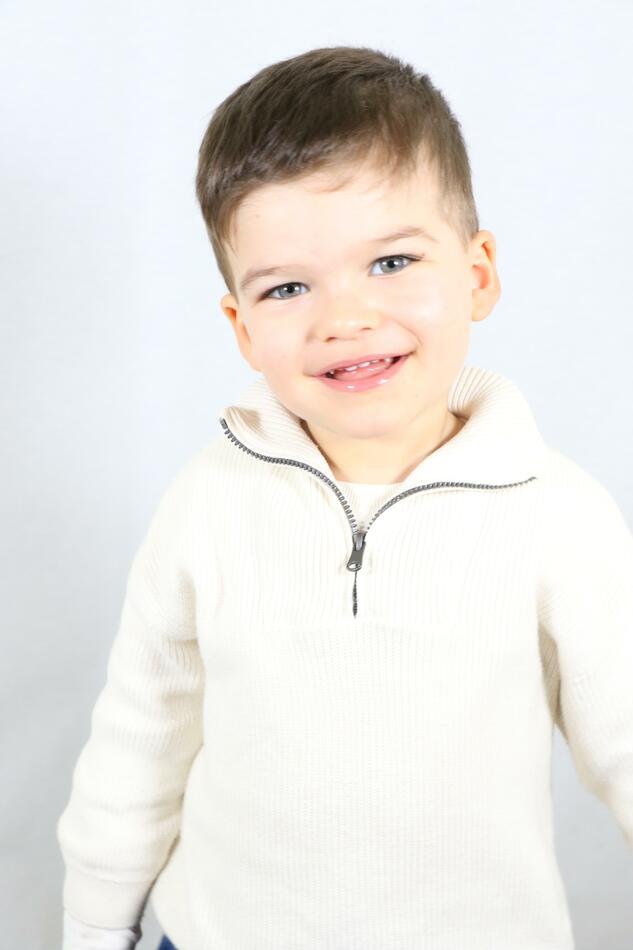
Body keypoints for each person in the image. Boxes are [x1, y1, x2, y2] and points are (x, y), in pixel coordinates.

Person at [57, 45, 633, 950]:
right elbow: (141, 738)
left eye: (392, 261)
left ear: (477, 273)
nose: (345, 318)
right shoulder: (209, 502)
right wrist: (95, 925)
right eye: (288, 287)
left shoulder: (557, 516)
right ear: (242, 327)